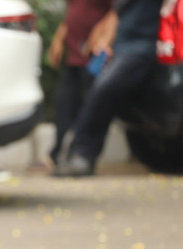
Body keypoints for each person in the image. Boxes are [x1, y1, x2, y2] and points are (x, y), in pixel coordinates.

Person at [54, 0, 163, 176]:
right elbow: (114, 14)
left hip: (141, 47)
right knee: (90, 89)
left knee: (104, 89)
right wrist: (105, 38)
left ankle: (82, 154)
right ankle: (68, 152)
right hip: (119, 46)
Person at [46, 0, 113, 166]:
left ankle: (81, 155)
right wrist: (58, 40)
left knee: (90, 108)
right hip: (73, 57)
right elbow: (72, 11)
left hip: (94, 58)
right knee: (64, 104)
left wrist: (104, 37)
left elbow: (117, 12)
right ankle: (57, 154)